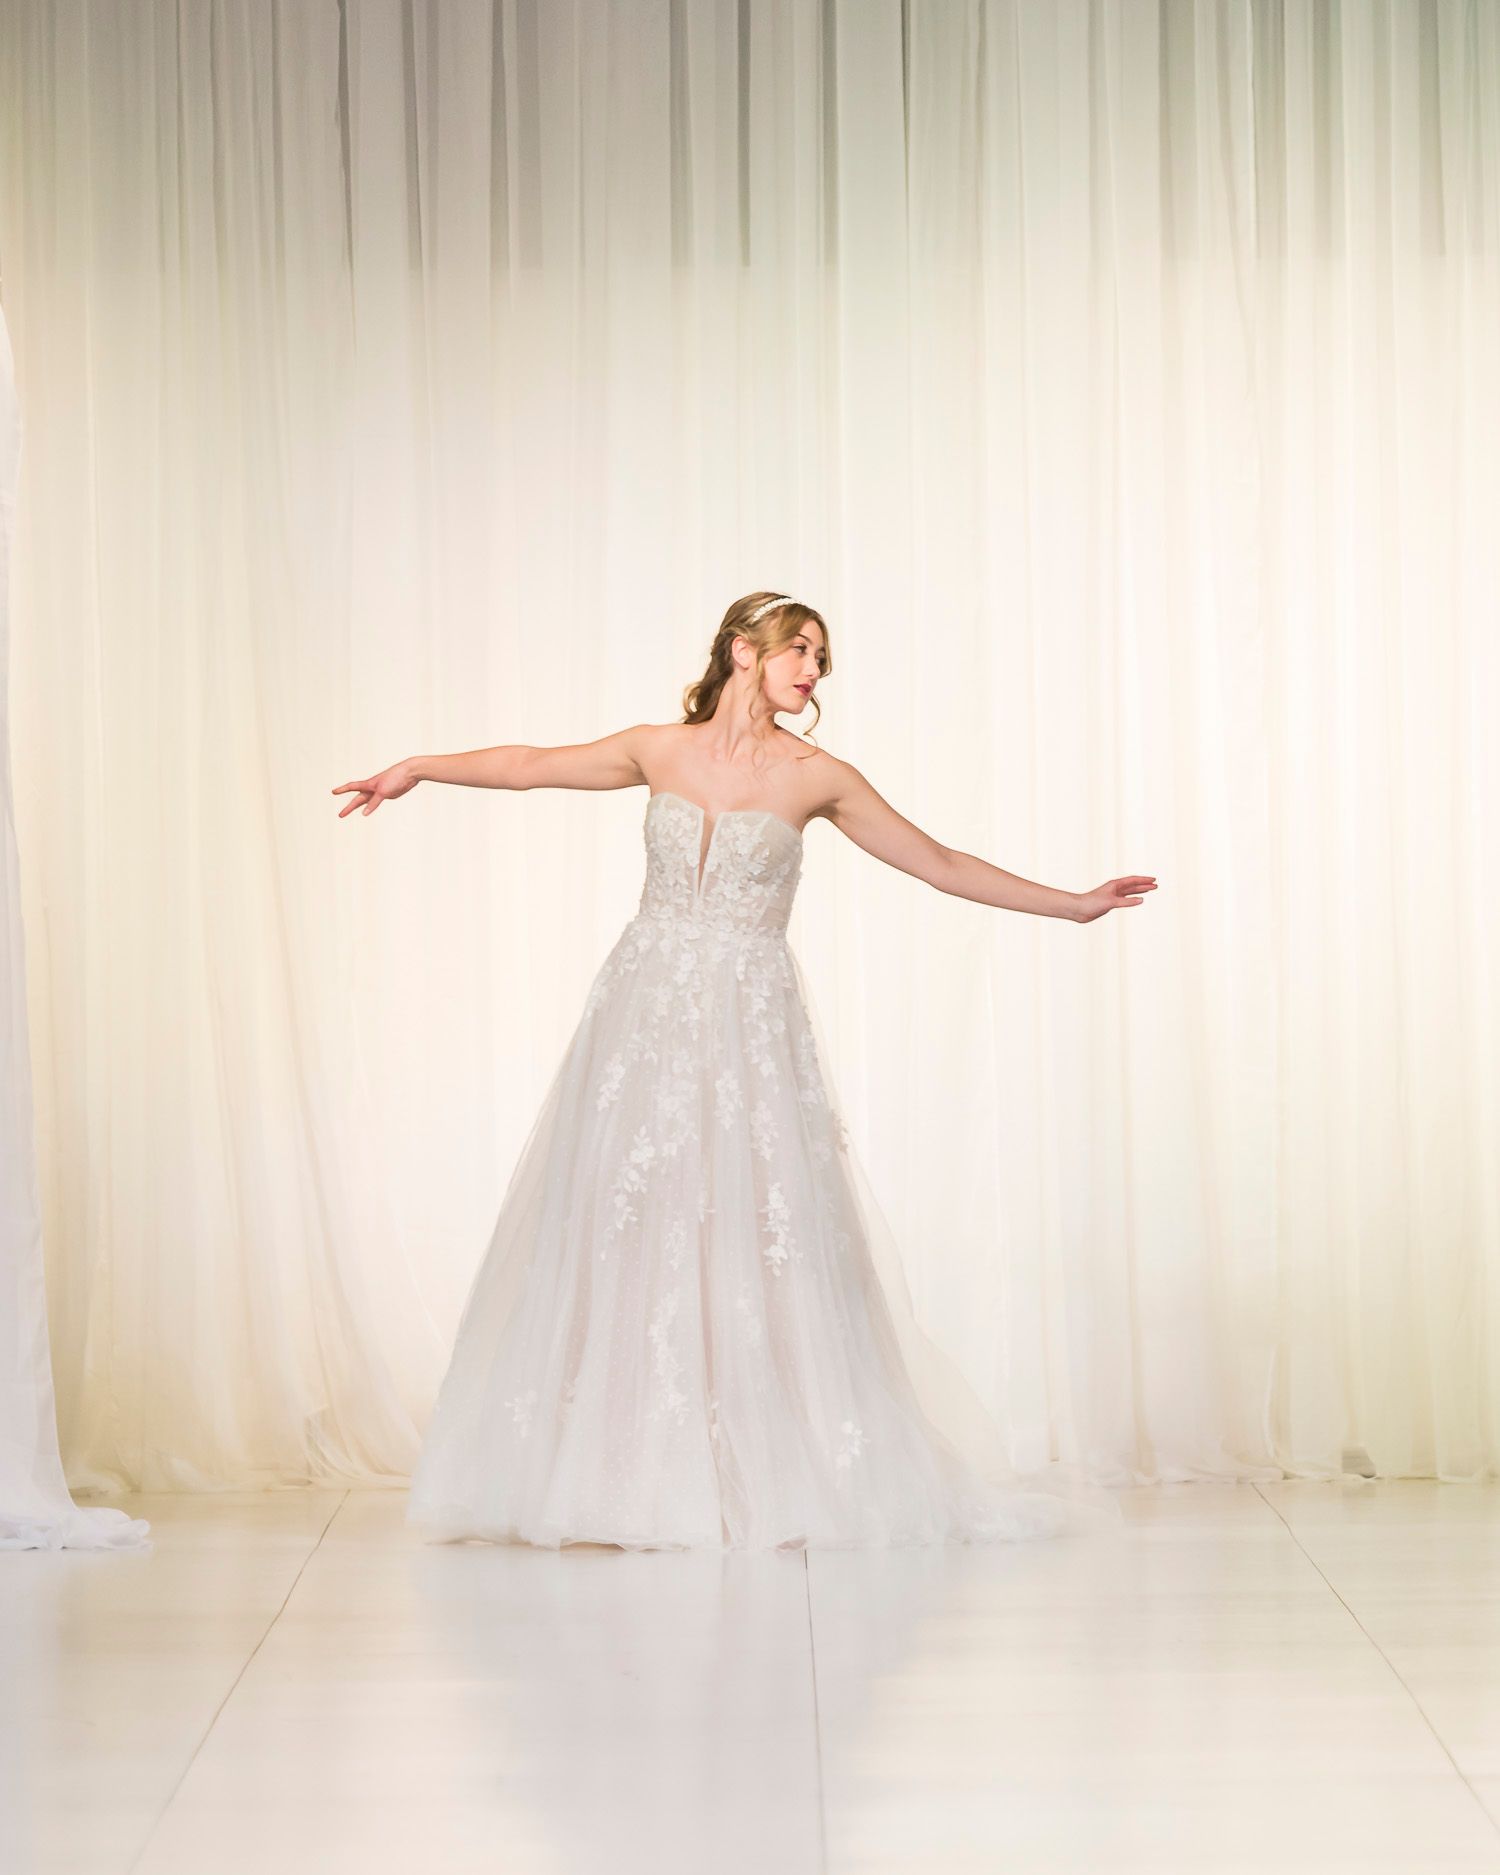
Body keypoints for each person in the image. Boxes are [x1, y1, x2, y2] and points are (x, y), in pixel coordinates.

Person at [333, 593, 1153, 1550]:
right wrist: (417, 768)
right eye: (799, 648)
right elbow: (527, 765)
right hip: (643, 1011)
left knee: (749, 1229)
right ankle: (614, 1467)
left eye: (821, 658)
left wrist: (1071, 904)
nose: (813, 669)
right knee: (626, 1218)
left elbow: (937, 861)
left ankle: (751, 1462)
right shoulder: (659, 749)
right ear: (742, 651)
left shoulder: (818, 777)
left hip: (748, 1025)